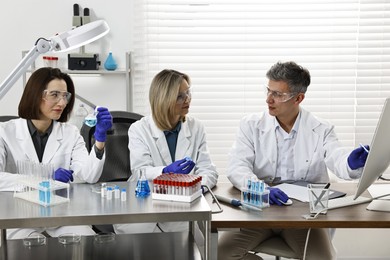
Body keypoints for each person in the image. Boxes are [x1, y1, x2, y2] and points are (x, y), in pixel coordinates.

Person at [218, 61, 369, 260]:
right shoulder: (251, 125)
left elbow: (337, 158)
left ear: (299, 98)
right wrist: (261, 188)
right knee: (220, 254)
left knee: (322, 258)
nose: (268, 99)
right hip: (259, 212)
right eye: (268, 91)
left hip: (303, 216)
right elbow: (237, 167)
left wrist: (351, 162)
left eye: (277, 94)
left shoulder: (321, 129)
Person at [0, 67, 113, 239]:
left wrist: (100, 139)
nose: (62, 103)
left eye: (65, 96)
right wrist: (46, 179)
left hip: (61, 214)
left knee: (85, 241)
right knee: (30, 247)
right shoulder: (5, 132)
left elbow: (89, 175)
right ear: (36, 95)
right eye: (54, 95)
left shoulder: (71, 133)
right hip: (19, 216)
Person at [114, 69, 218, 234]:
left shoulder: (196, 127)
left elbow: (208, 170)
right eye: (180, 96)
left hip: (182, 207)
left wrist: (198, 188)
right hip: (145, 206)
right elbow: (140, 170)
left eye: (188, 93)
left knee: (195, 246)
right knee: (140, 246)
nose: (188, 99)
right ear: (163, 99)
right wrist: (165, 172)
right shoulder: (139, 129)